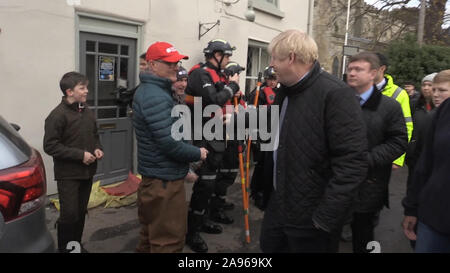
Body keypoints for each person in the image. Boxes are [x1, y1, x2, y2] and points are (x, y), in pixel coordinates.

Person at [258, 29, 368, 253]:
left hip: (312, 220)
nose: (271, 65)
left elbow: (352, 163)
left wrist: (325, 218)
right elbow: (279, 130)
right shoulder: (286, 90)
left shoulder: (335, 94)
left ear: (291, 58)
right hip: (279, 208)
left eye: (274, 58)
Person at [132, 41, 208, 253]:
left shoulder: (156, 91)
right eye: (169, 63)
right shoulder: (155, 95)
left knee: (150, 239)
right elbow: (169, 142)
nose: (175, 66)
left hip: (158, 178)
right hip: (163, 183)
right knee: (168, 243)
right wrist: (197, 153)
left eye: (177, 62)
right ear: (153, 65)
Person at [346, 52, 408, 253]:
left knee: (363, 236)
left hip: (369, 183)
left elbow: (399, 141)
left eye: (358, 69)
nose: (352, 73)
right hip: (335, 182)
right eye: (350, 69)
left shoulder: (389, 106)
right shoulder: (337, 101)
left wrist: (368, 159)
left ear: (373, 73)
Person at [184, 39, 241, 253]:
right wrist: (232, 86)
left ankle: (204, 220)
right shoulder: (200, 74)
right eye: (226, 56)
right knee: (204, 185)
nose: (228, 61)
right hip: (203, 137)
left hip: (217, 136)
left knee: (212, 184)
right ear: (216, 55)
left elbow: (222, 100)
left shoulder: (216, 75)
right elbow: (213, 100)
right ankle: (192, 232)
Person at [44, 71, 104, 253]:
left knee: (79, 213)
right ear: (70, 92)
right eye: (82, 88)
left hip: (87, 172)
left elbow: (94, 135)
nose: (87, 91)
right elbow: (50, 146)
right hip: (68, 175)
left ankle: (75, 247)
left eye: (86, 87)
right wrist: (80, 155)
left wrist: (97, 148)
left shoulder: (87, 111)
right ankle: (66, 249)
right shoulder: (57, 115)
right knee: (69, 215)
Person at [402, 70, 450, 253]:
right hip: (434, 218)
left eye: (442, 90)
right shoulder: (441, 114)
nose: (436, 94)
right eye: (433, 89)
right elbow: (424, 165)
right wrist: (411, 207)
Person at [374, 53, 413, 170]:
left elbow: (406, 127)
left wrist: (397, 158)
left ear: (382, 69)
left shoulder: (399, 94)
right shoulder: (358, 89)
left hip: (384, 154)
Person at [248, 66, 279, 209]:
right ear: (265, 79)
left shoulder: (279, 92)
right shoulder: (258, 93)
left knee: (269, 165)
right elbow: (252, 113)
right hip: (261, 134)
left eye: (274, 78)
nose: (272, 82)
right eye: (270, 79)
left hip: (273, 133)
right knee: (260, 165)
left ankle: (265, 192)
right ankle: (256, 192)